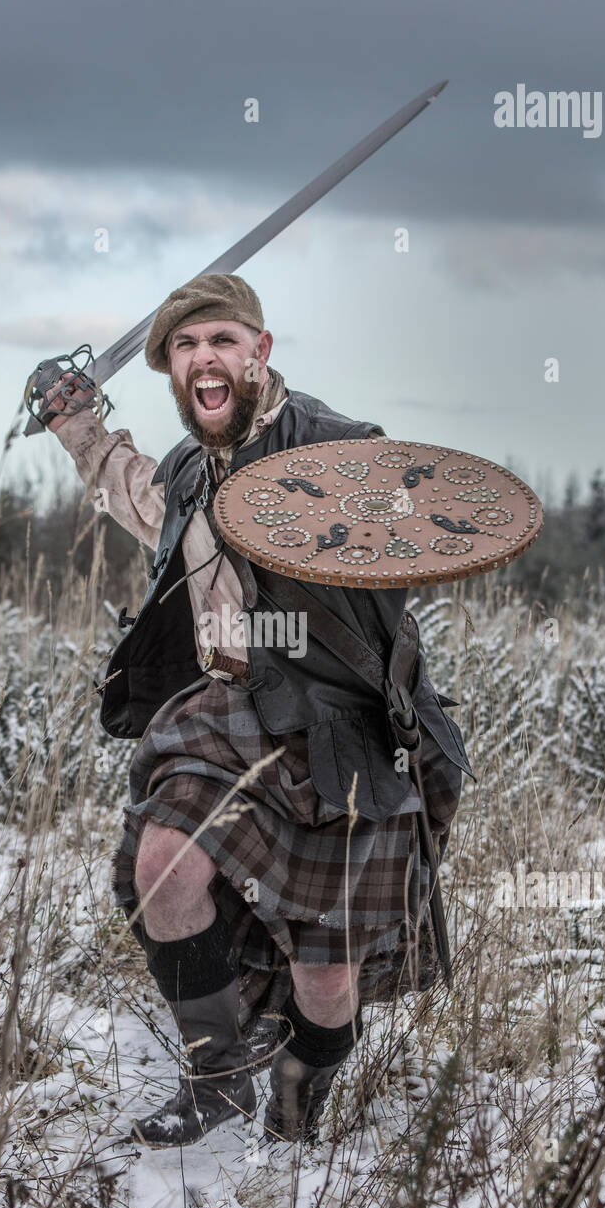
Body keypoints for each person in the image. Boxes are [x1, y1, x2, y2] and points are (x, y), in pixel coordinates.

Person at [44, 273, 471, 1147]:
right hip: (233, 708)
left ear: (260, 352)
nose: (206, 360)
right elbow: (129, 490)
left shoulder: (343, 449)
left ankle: (298, 1090)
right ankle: (217, 1076)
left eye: (223, 342)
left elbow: (414, 534)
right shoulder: (186, 475)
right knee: (163, 866)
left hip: (345, 722)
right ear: (172, 373)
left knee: (326, 973)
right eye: (186, 348)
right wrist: (75, 422)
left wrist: (340, 516)